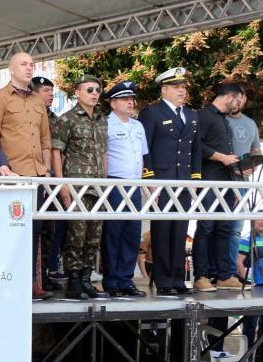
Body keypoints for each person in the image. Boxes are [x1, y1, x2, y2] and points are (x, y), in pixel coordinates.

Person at [0, 53, 53, 300]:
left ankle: (32, 284)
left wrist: (46, 169)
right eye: (23, 64)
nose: (29, 68)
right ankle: (7, 281)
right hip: (11, 175)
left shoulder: (38, 100)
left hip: (37, 175)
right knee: (10, 231)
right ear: (10, 69)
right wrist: (1, 169)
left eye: (31, 64)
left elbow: (46, 138)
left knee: (35, 231)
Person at [140, 67, 202, 296]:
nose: (181, 91)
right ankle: (164, 280)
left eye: (183, 87)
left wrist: (196, 177)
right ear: (164, 89)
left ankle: (178, 278)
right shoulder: (152, 113)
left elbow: (195, 150)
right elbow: (144, 147)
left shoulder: (192, 115)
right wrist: (149, 177)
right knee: (163, 229)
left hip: (184, 181)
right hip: (162, 180)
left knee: (180, 228)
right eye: (176, 87)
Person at [52, 74, 108, 299]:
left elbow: (104, 154)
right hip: (76, 184)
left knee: (94, 235)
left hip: (98, 185)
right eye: (89, 90)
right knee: (77, 233)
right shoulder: (67, 119)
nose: (95, 93)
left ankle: (86, 279)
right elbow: (58, 153)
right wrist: (62, 184)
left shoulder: (102, 119)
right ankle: (74, 280)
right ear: (77, 93)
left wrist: (105, 181)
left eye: (97, 90)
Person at [193, 82, 245, 293]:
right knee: (205, 227)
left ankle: (223, 275)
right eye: (238, 100)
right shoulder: (204, 115)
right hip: (208, 180)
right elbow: (197, 144)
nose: (238, 105)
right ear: (230, 97)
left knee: (224, 227)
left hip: (226, 181)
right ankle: (201, 275)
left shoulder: (223, 119)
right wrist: (222, 157)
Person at [100, 81, 148, 297]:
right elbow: (104, 157)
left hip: (135, 184)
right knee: (114, 232)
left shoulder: (138, 126)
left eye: (131, 99)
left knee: (132, 233)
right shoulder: (105, 124)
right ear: (113, 103)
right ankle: (111, 280)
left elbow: (141, 157)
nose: (130, 103)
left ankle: (126, 279)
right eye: (125, 99)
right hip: (115, 183)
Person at [32, 75, 65, 290]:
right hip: (33, 178)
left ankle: (46, 275)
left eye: (52, 91)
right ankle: (34, 280)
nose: (51, 95)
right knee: (35, 229)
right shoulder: (30, 116)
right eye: (46, 90)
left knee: (52, 230)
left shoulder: (55, 118)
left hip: (53, 181)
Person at [227, 91, 260, 267]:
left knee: (235, 230)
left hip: (242, 186)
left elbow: (256, 152)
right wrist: (235, 167)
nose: (237, 102)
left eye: (241, 98)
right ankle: (213, 273)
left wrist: (253, 164)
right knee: (213, 228)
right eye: (233, 98)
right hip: (219, 181)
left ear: (245, 99)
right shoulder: (220, 121)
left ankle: (231, 272)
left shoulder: (250, 123)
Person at [237, 220, 263, 362]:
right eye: (259, 218)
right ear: (253, 221)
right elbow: (239, 261)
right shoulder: (247, 239)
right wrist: (246, 282)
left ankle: (259, 357)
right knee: (250, 323)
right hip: (254, 288)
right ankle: (247, 356)